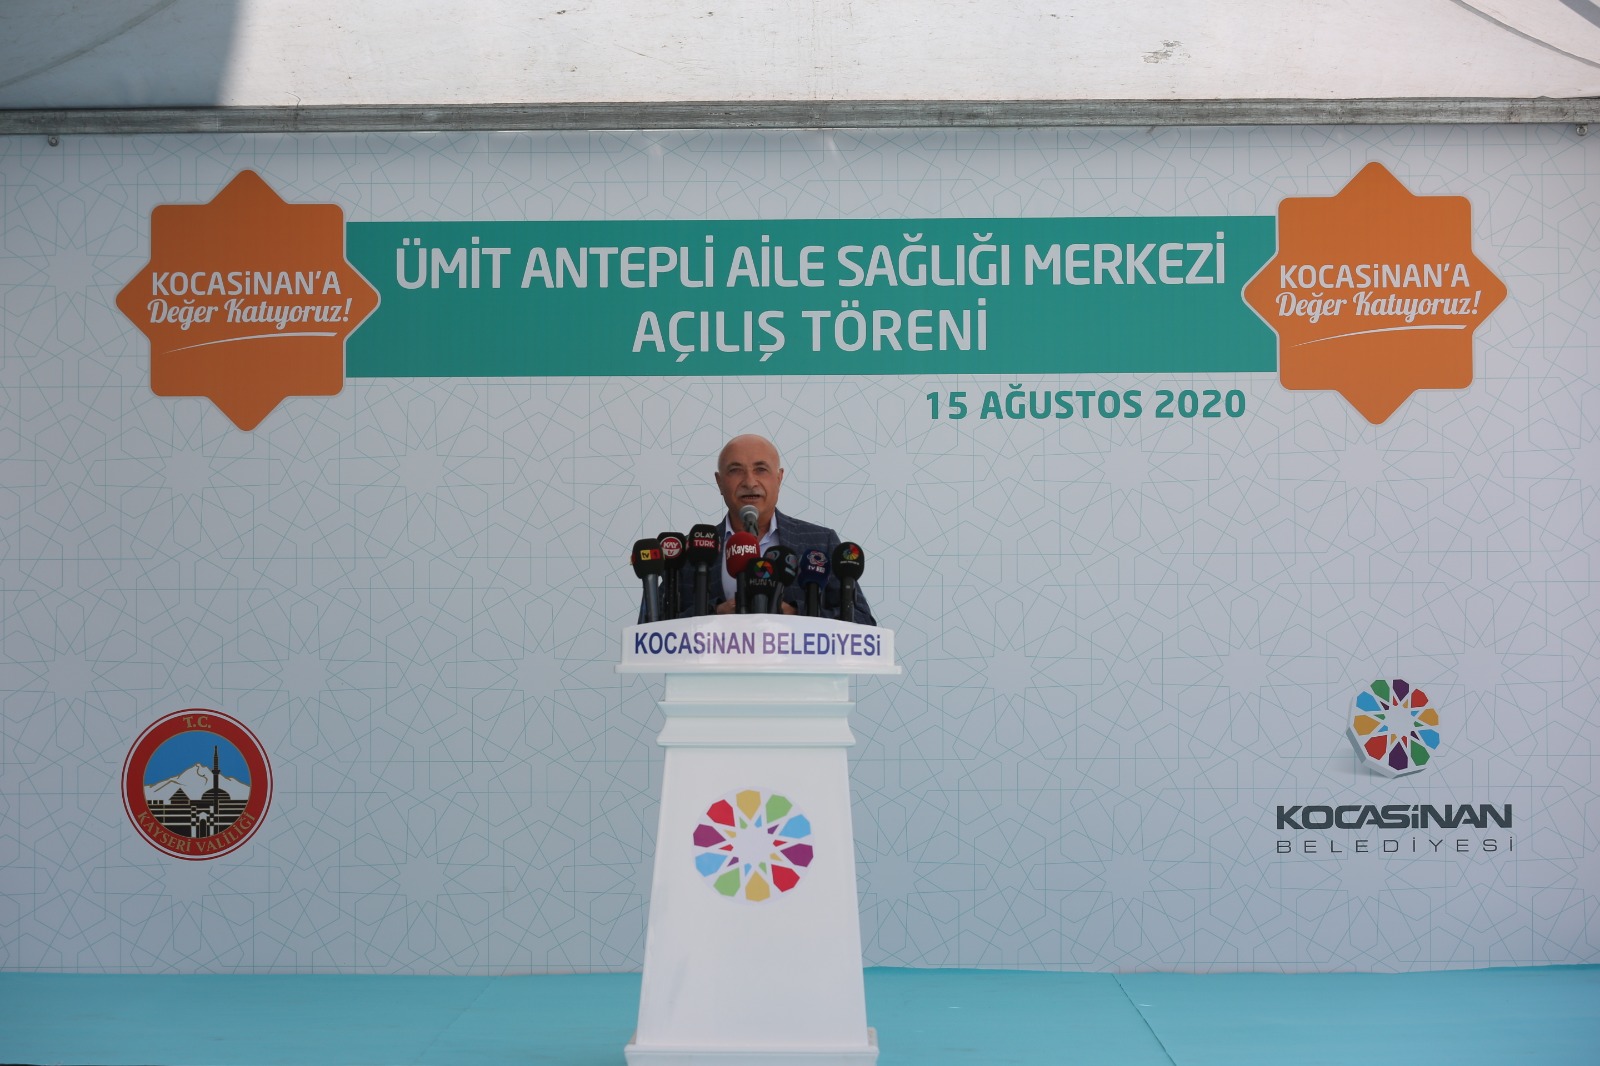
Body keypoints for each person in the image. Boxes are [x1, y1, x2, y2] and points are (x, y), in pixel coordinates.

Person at [651, 434, 875, 624]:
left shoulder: (819, 541)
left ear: (779, 478)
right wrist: (714, 613)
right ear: (719, 482)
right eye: (735, 470)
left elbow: (862, 621)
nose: (750, 482)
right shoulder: (691, 550)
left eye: (760, 469)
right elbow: (653, 625)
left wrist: (797, 614)